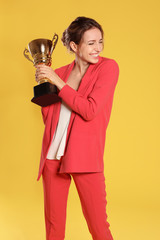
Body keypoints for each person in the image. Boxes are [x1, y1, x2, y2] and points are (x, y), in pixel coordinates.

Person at [35, 16, 119, 240]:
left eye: (100, 41)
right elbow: (49, 115)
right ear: (74, 46)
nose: (97, 48)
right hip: (53, 155)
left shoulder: (108, 68)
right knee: (53, 227)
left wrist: (58, 83)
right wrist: (44, 85)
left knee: (98, 226)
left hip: (85, 156)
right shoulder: (60, 72)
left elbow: (90, 110)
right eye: (91, 43)